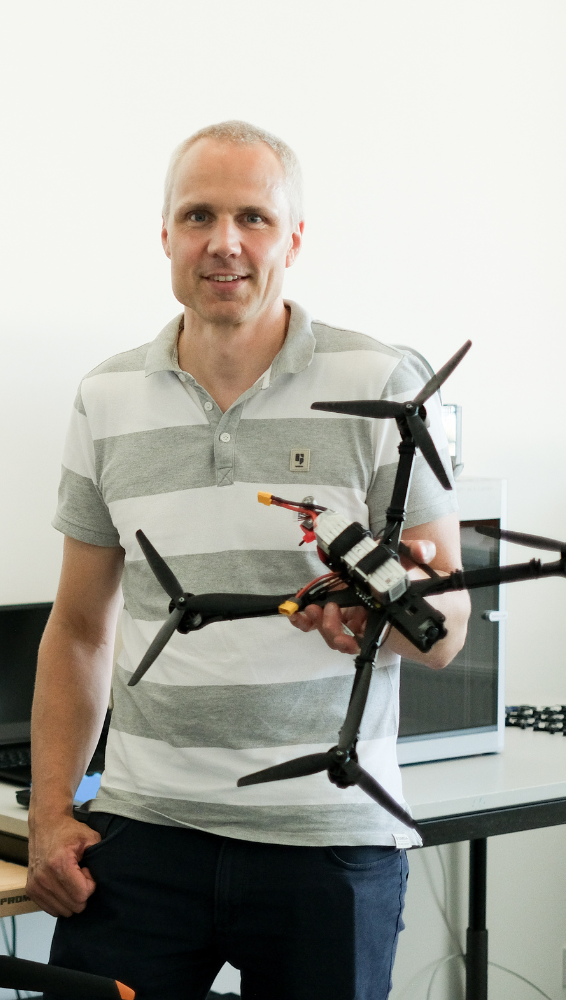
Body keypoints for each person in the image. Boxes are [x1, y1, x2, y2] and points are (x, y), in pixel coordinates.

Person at [26, 121, 472, 999]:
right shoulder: (106, 396)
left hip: (327, 839)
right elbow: (79, 629)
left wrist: (384, 615)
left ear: (293, 240)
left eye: (253, 218)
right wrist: (49, 813)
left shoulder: (383, 385)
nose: (223, 242)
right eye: (198, 215)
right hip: (145, 835)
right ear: (165, 234)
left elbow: (447, 630)